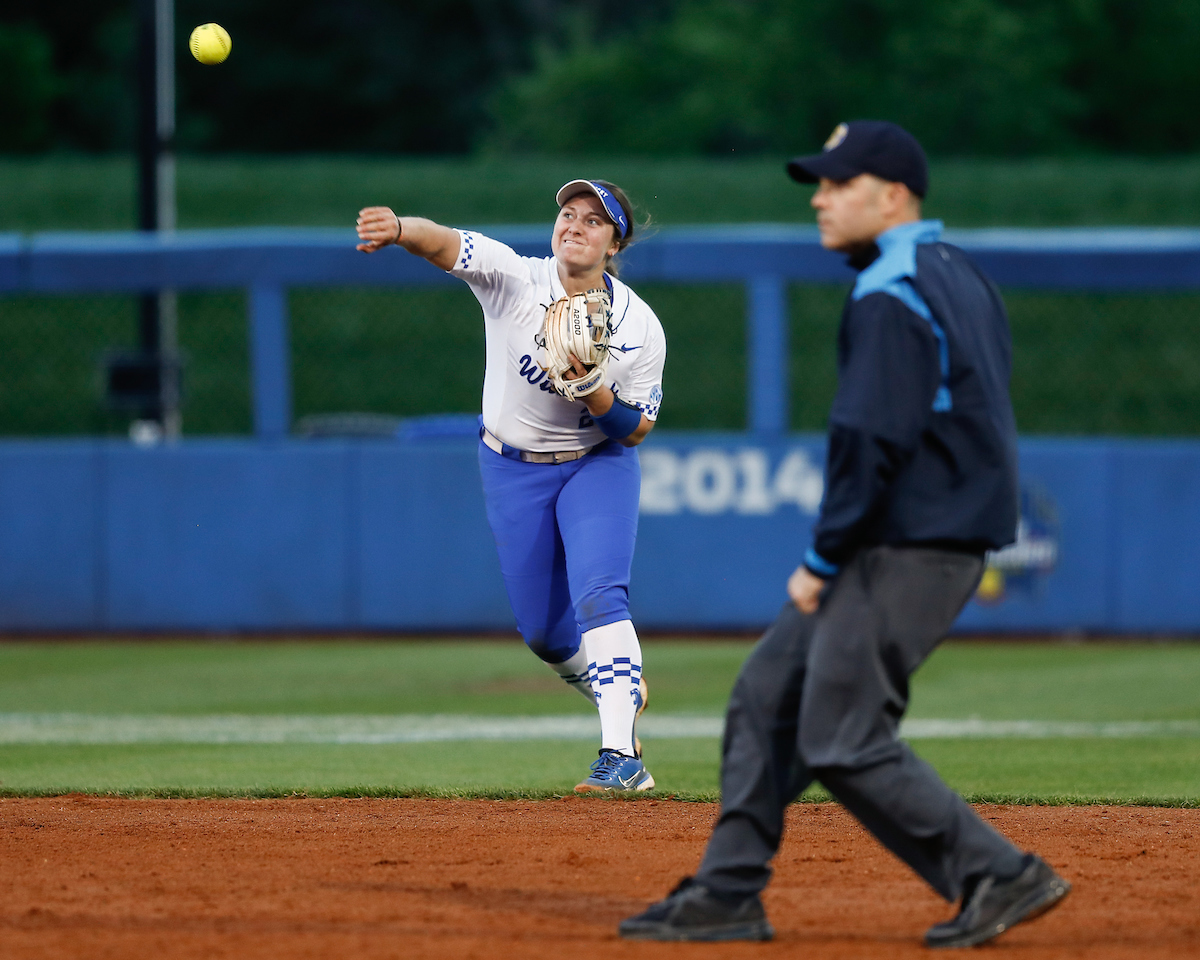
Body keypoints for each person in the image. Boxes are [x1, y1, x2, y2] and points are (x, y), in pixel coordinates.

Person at [620, 121, 1070, 947]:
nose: (820, 199)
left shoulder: (891, 290)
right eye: (819, 184)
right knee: (764, 700)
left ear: (892, 194)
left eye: (838, 183)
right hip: (926, 536)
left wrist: (823, 558)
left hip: (908, 544)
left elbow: (871, 440)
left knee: (842, 736)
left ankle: (997, 872)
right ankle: (728, 892)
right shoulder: (955, 272)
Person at [355, 180, 666, 793]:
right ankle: (617, 688)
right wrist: (399, 229)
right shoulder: (515, 277)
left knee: (602, 594)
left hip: (593, 462)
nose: (575, 226)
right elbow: (444, 243)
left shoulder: (639, 327)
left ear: (614, 243)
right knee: (547, 636)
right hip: (511, 465)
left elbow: (634, 430)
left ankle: (620, 755)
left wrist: (595, 392)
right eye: (568, 215)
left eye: (593, 221)